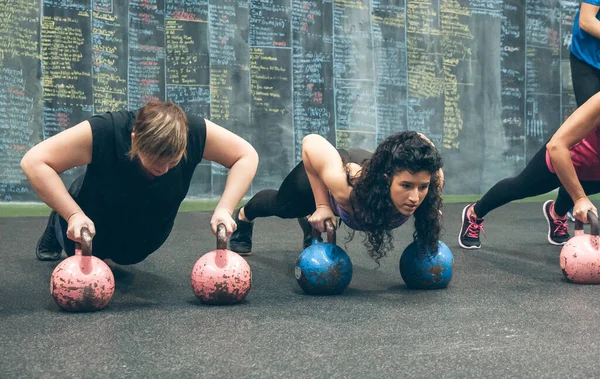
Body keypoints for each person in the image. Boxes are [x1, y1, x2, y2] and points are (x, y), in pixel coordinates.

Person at [21, 101, 258, 264]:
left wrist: (225, 209)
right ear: (134, 139)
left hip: (145, 232)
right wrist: (72, 215)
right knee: (92, 251)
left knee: (128, 258)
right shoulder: (107, 130)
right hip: (95, 216)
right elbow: (34, 161)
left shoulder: (194, 131)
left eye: (172, 163)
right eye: (155, 162)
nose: (163, 170)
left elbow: (246, 155)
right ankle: (57, 222)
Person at [228, 131, 444, 265]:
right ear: (387, 180)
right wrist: (322, 205)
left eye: (422, 187)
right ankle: (245, 215)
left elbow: (421, 139)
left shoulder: (430, 181)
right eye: (406, 186)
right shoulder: (347, 191)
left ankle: (312, 216)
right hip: (331, 169)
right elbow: (311, 142)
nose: (415, 197)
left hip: (368, 168)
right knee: (284, 207)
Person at [459, 92, 600, 249]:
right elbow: (556, 146)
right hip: (568, 157)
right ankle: (474, 213)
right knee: (520, 187)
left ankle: (556, 214)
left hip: (596, 171)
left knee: (576, 189)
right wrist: (580, 198)